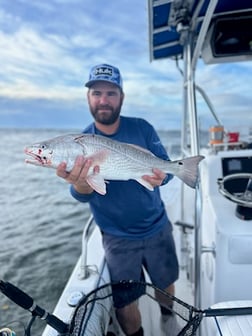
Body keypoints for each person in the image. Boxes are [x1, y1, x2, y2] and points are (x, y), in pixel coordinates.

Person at [57, 64, 179, 336]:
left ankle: (169, 321)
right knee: (125, 303)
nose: (103, 100)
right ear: (88, 98)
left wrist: (164, 176)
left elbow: (166, 170)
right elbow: (80, 194)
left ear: (121, 96)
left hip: (157, 227)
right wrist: (79, 181)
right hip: (117, 237)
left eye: (111, 93)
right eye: (97, 92)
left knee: (166, 284)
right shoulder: (80, 142)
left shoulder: (142, 128)